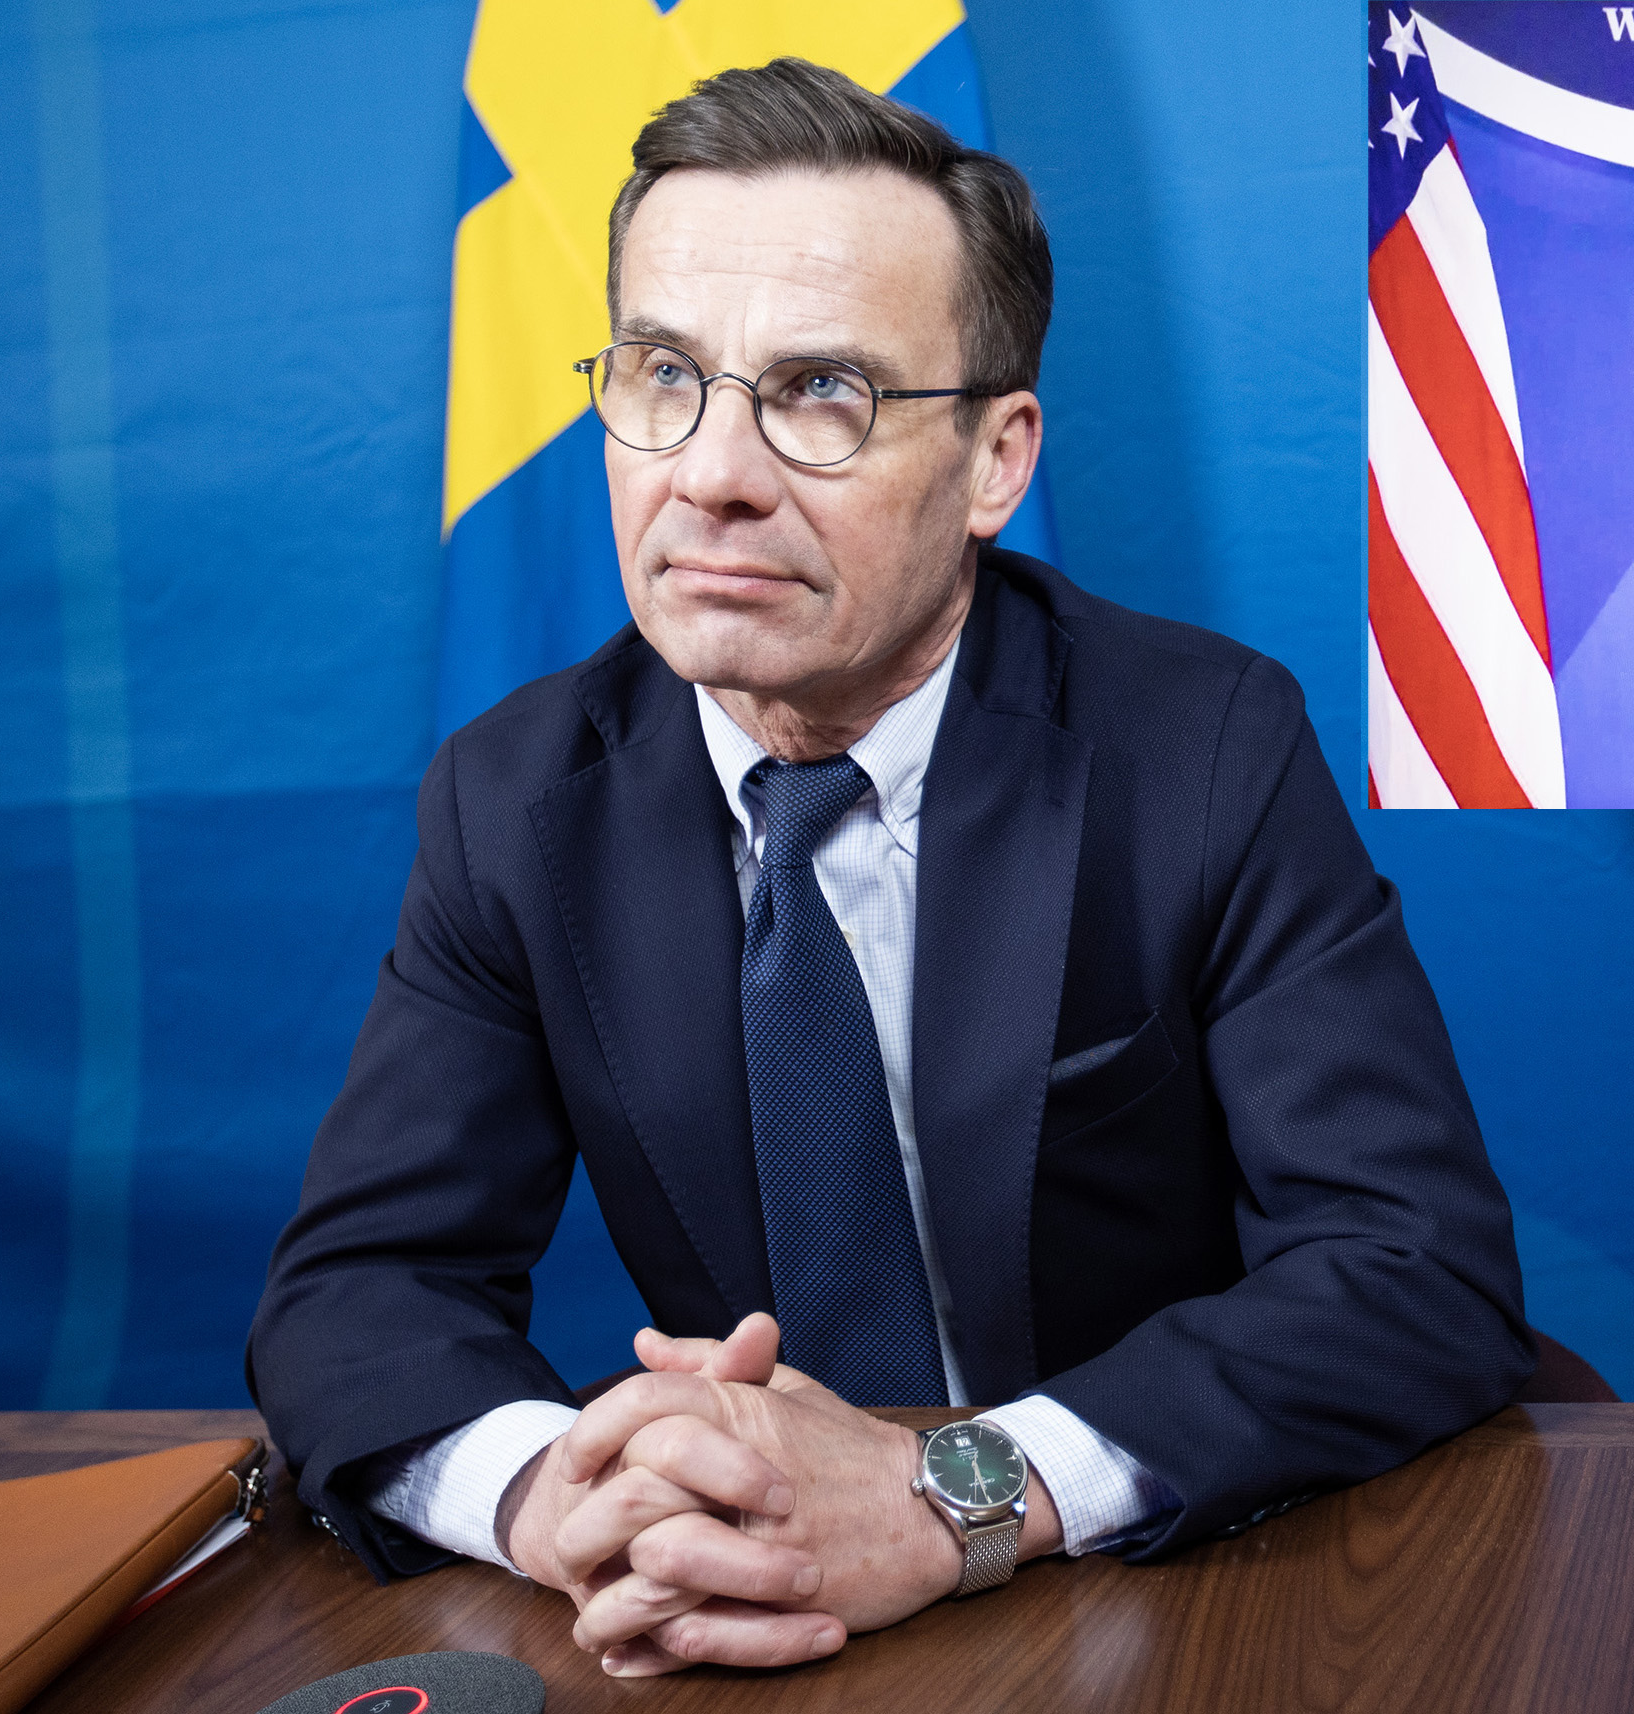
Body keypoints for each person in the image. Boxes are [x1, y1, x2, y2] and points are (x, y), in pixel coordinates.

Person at [247, 60, 1531, 1678]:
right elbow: (357, 1289)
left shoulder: (1203, 746)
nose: (709, 471)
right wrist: (550, 1496)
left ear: (998, 460)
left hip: (1173, 1591)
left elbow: (1410, 1265)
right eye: (662, 374)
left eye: (823, 394)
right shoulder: (517, 797)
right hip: (737, 1617)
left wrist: (952, 1493)